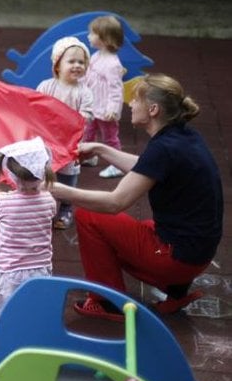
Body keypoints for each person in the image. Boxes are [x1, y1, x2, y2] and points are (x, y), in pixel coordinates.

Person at [51, 74, 223, 321]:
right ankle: (176, 291)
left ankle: (109, 303)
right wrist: (100, 148)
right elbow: (147, 167)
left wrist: (57, 190)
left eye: (135, 100)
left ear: (153, 109)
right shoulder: (184, 136)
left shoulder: (163, 148)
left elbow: (114, 203)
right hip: (196, 254)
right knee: (132, 230)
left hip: (177, 260)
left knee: (91, 215)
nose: (129, 104)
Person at [0, 137, 57, 324]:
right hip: (41, 269)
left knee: (5, 315)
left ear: (12, 175)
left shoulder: (3, 202)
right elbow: (51, 214)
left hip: (10, 272)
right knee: (35, 314)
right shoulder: (49, 200)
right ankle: (33, 346)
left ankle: (2, 348)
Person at [36, 37, 93, 230]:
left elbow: (86, 116)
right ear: (58, 65)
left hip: (70, 143)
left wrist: (74, 119)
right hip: (47, 141)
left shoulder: (84, 92)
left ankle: (66, 208)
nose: (77, 65)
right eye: (71, 61)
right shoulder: (46, 86)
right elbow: (36, 107)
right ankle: (44, 207)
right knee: (46, 172)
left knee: (68, 174)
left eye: (81, 62)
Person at [82, 16, 126, 179]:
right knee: (87, 132)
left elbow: (116, 89)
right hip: (93, 106)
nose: (89, 36)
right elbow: (88, 77)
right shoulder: (96, 56)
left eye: (92, 34)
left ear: (105, 39)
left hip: (105, 109)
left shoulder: (112, 64)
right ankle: (89, 156)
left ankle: (118, 165)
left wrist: (113, 109)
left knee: (110, 138)